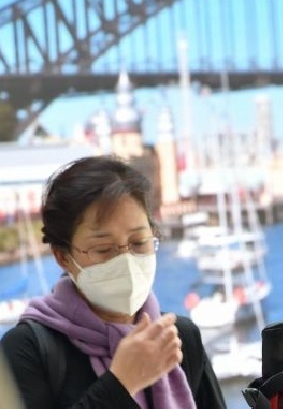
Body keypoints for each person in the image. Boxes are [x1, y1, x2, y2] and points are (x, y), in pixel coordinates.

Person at [0, 155, 226, 409]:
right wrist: (121, 384)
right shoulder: (28, 348)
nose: (126, 261)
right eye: (103, 249)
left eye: (139, 242)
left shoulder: (178, 337)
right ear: (63, 257)